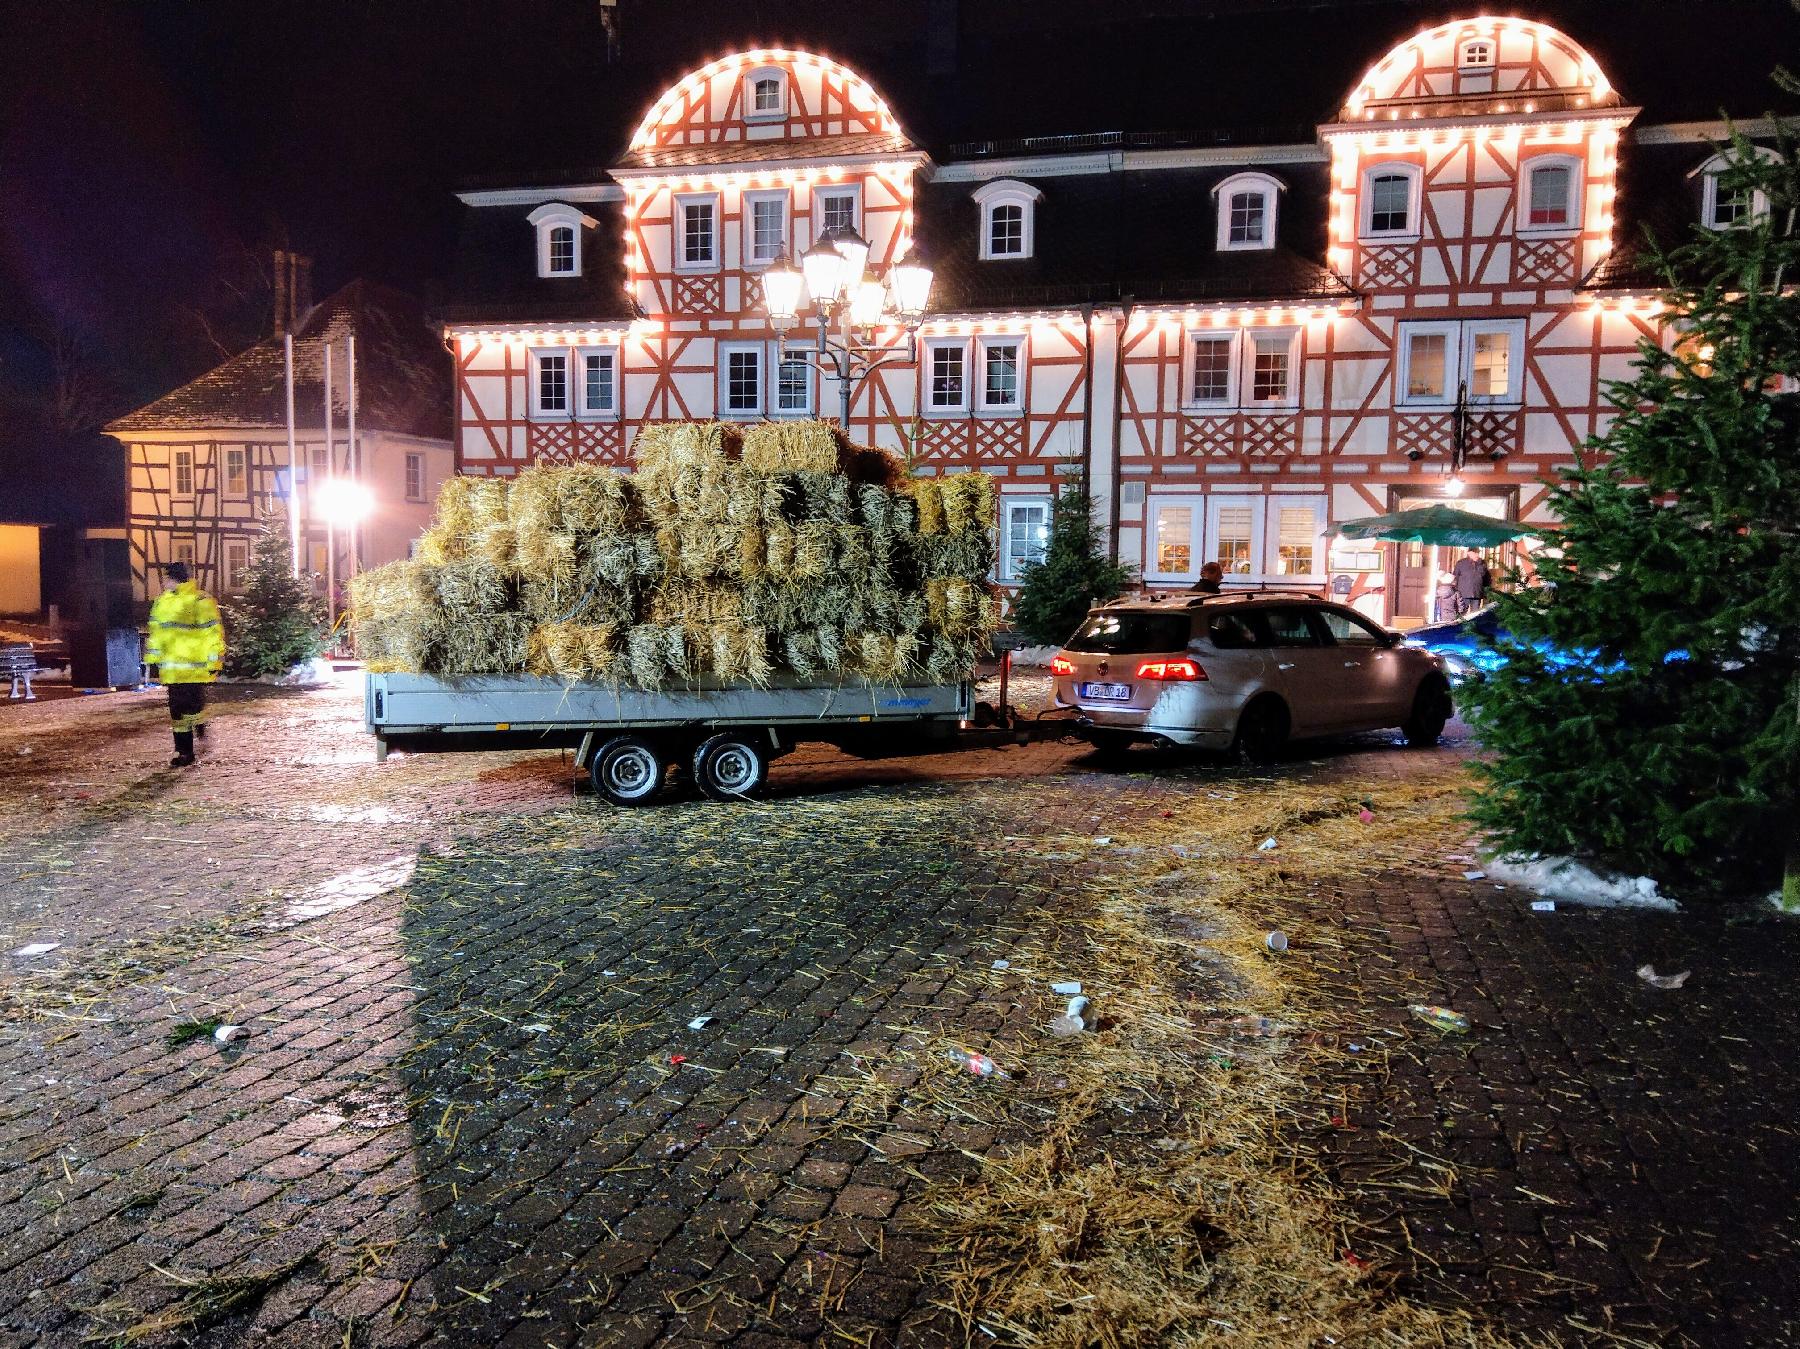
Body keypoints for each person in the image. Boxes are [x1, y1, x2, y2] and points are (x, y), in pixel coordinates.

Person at [146, 562, 225, 767]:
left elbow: (212, 632)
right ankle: (184, 752)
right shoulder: (161, 602)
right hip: (172, 669)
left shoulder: (200, 601)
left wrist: (213, 659)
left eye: (167, 578)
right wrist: (152, 658)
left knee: (191, 707)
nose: (164, 582)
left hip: (193, 668)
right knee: (177, 712)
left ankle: (199, 726)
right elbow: (157, 632)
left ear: (175, 578)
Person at [1451, 548, 1492, 618]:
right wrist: (1455, 590)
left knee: (1475, 615)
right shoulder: (1461, 563)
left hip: (1477, 593)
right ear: (1469, 553)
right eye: (1475, 553)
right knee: (1462, 613)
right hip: (1463, 593)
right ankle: (1461, 627)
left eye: (1478, 553)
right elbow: (1455, 576)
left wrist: (1485, 590)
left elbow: (1486, 577)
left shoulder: (1482, 563)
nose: (1477, 554)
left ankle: (1473, 627)